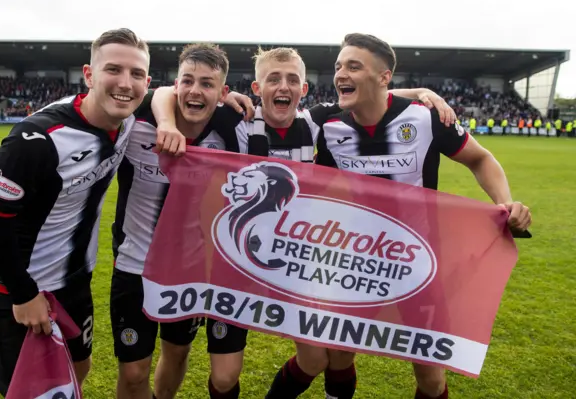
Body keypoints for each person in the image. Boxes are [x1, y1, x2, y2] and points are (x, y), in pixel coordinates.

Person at [153, 45, 459, 399]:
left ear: (304, 90)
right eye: (273, 79)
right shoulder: (234, 120)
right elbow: (164, 92)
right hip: (234, 264)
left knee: (315, 359)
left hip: (291, 264)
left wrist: (421, 92)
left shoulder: (314, 122)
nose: (282, 87)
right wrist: (166, 120)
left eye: (292, 80)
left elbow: (372, 92)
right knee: (223, 378)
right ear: (257, 88)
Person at [312, 33, 531, 399]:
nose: (340, 74)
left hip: (416, 261)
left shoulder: (427, 119)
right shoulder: (326, 123)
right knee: (337, 355)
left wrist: (505, 203)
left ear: (383, 77)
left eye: (354, 66)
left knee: (430, 374)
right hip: (352, 260)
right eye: (338, 66)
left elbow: (480, 158)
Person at [0, 27, 151, 397]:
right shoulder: (37, 139)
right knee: (32, 391)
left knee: (78, 367)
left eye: (136, 74)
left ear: (147, 82)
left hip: (74, 281)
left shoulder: (131, 118)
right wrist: (23, 294)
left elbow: (177, 96)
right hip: (21, 286)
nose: (125, 83)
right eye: (113, 70)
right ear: (89, 75)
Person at [111, 42, 257, 399]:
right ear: (176, 84)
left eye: (207, 84)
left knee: (176, 353)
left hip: (190, 270)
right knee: (133, 372)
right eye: (187, 81)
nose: (195, 91)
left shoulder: (231, 129)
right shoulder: (139, 119)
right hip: (135, 264)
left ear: (222, 93)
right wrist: (165, 121)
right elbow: (156, 91)